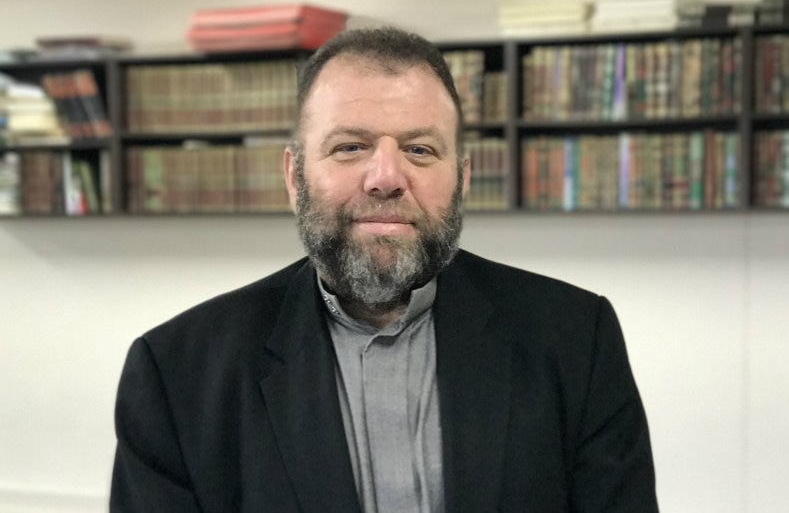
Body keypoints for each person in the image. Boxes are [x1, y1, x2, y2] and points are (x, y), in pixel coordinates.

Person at [110, 26, 658, 512]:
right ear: (295, 177)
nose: (386, 177)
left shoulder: (577, 341)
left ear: (462, 179)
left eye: (420, 150)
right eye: (350, 146)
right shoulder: (176, 375)